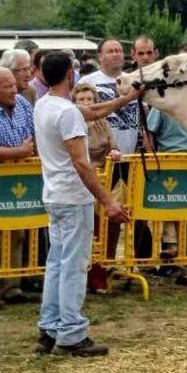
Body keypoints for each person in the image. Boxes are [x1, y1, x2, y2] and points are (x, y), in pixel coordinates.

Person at [33, 51, 142, 357]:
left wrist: (127, 99)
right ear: (70, 75)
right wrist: (107, 201)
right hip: (73, 196)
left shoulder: (45, 105)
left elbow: (93, 112)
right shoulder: (66, 113)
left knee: (57, 263)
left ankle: (50, 327)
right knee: (73, 266)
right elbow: (82, 164)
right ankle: (70, 332)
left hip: (55, 195)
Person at [142, 104, 187, 284]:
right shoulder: (162, 106)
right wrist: (154, 161)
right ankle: (171, 245)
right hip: (170, 163)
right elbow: (148, 133)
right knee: (170, 207)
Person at [0, 67, 36, 308]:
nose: (14, 89)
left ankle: (12, 286)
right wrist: (18, 152)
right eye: (7, 86)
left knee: (17, 231)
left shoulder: (22, 103)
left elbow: (35, 130)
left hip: (19, 180)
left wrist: (24, 150)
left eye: (13, 84)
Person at [72, 83, 122, 293]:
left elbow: (114, 147)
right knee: (87, 230)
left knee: (109, 224)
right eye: (81, 100)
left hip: (105, 180)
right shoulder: (72, 124)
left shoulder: (103, 123)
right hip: (82, 181)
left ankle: (105, 266)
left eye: (89, 100)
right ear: (74, 103)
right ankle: (86, 276)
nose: (85, 104)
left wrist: (115, 153)